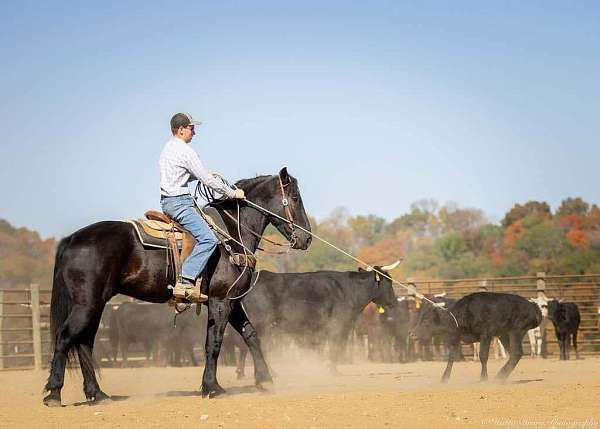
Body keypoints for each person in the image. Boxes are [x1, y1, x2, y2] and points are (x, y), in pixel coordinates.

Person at [159, 113, 245, 302]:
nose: (194, 132)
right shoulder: (186, 151)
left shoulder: (168, 148)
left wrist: (202, 175)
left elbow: (182, 175)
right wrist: (232, 193)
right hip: (180, 202)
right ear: (181, 129)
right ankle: (186, 280)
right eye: (191, 128)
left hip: (168, 201)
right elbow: (206, 180)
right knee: (209, 239)